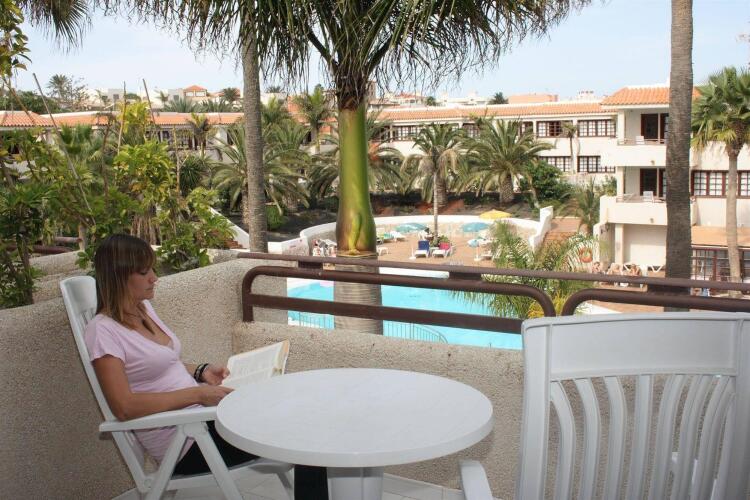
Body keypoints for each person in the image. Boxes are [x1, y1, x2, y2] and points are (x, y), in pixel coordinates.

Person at [85, 234, 327, 498]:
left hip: (203, 420)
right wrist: (198, 394)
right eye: (144, 273)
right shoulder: (103, 331)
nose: (154, 278)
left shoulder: (142, 309)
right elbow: (124, 407)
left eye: (152, 269)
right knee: (305, 434)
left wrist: (201, 371)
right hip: (187, 441)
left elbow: (160, 366)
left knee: (302, 416)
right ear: (119, 277)